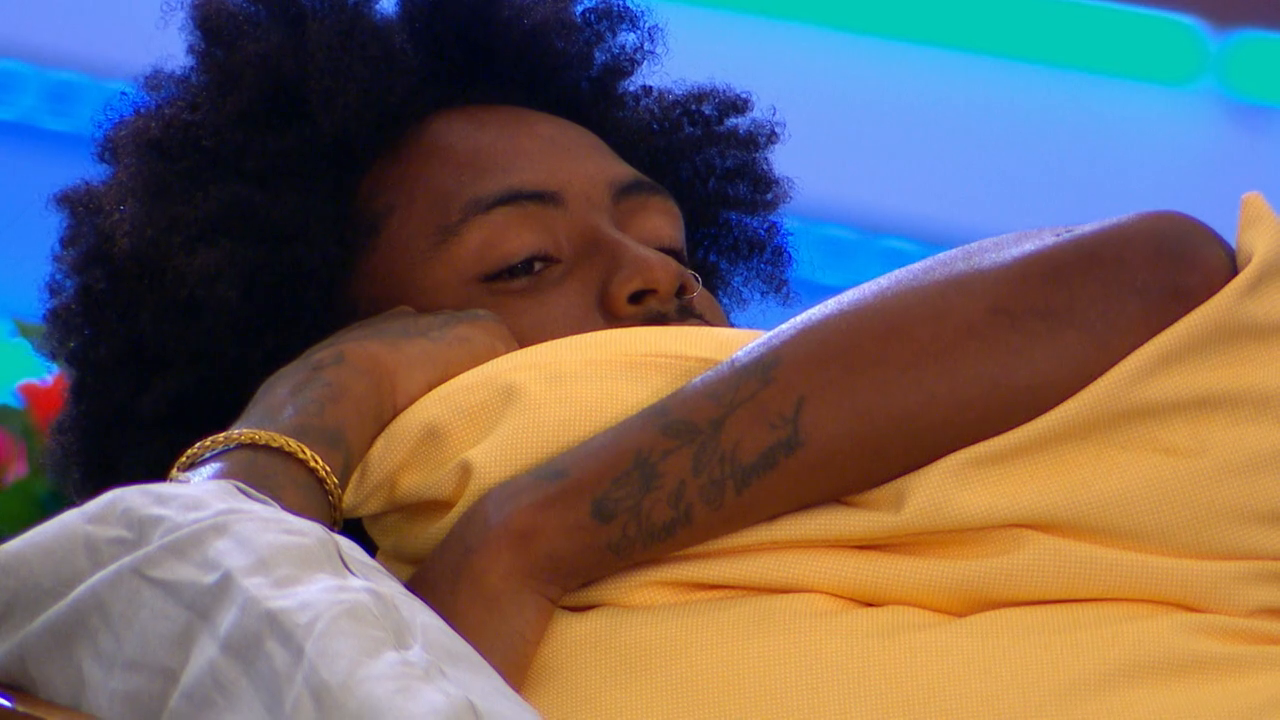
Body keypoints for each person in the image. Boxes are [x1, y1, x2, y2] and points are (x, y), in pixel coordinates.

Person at [0, 0, 1237, 715]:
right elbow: (175, 586)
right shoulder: (369, 636)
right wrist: (315, 415)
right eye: (523, 262)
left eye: (667, 241)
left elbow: (1152, 271)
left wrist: (527, 535)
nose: (656, 276)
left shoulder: (894, 469)